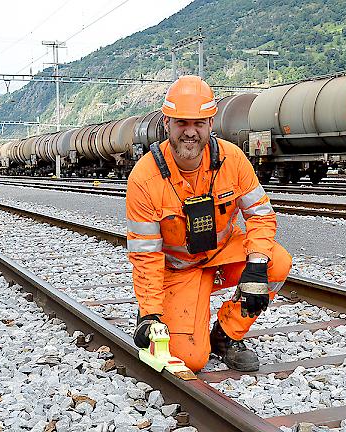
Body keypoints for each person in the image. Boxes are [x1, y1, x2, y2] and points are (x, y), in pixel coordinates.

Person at [126, 75, 292, 372]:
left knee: (275, 262)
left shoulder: (234, 160)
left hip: (222, 254)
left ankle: (226, 335)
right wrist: (150, 313)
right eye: (182, 123)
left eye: (198, 124)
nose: (190, 132)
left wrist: (254, 266)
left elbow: (260, 215)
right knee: (190, 360)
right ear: (167, 123)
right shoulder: (145, 177)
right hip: (178, 269)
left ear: (210, 125)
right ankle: (170, 313)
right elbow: (145, 254)